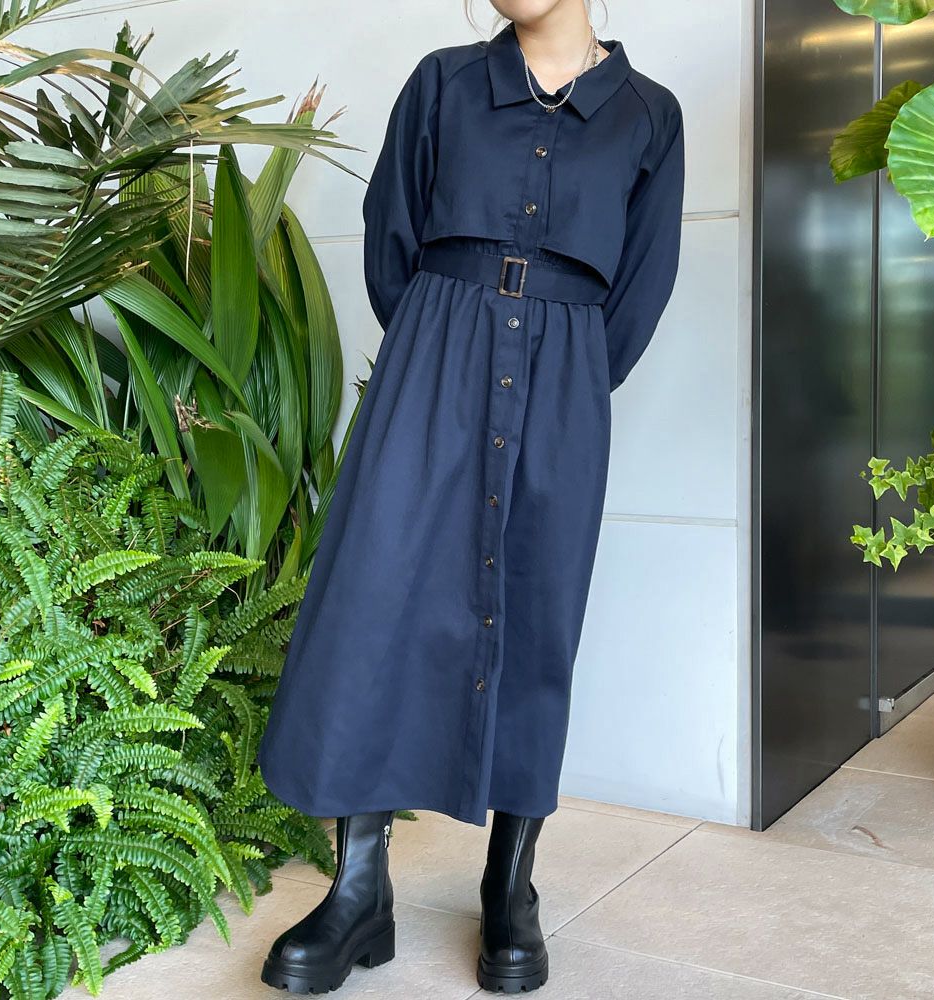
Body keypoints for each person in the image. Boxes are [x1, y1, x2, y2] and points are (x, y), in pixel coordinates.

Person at [256, 0, 685, 993]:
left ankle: (510, 884)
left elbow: (641, 284)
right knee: (377, 600)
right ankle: (359, 891)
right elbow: (391, 242)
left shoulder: (648, 115)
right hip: (434, 354)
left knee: (537, 610)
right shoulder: (443, 83)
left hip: (566, 372)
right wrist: (438, 345)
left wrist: (567, 372)